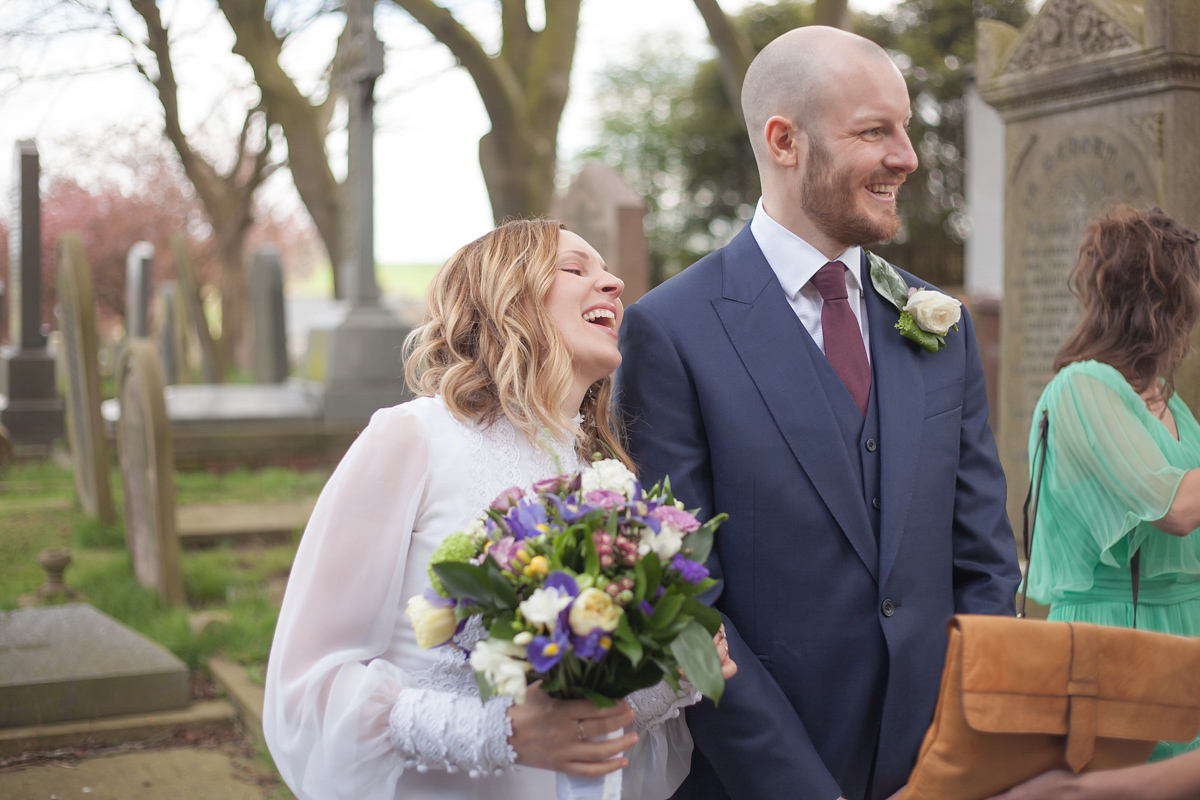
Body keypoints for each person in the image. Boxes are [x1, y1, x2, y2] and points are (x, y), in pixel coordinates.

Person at [616, 25, 1020, 800]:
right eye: (875, 130)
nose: (907, 155)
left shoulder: (940, 322)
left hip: (935, 770)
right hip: (761, 777)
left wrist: (961, 757)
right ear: (784, 141)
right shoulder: (672, 331)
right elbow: (685, 603)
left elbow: (983, 561)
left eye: (903, 128)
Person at [263, 220, 735, 800]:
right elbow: (307, 686)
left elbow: (592, 718)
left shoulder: (610, 485)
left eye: (607, 270)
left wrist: (671, 676)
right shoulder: (414, 438)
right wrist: (500, 733)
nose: (612, 282)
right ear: (506, 292)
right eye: (575, 267)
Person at [1020, 205, 1200, 760]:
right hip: (1121, 635)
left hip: (1185, 628)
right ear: (1159, 303)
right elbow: (1175, 509)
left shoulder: (1172, 402)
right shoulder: (1083, 388)